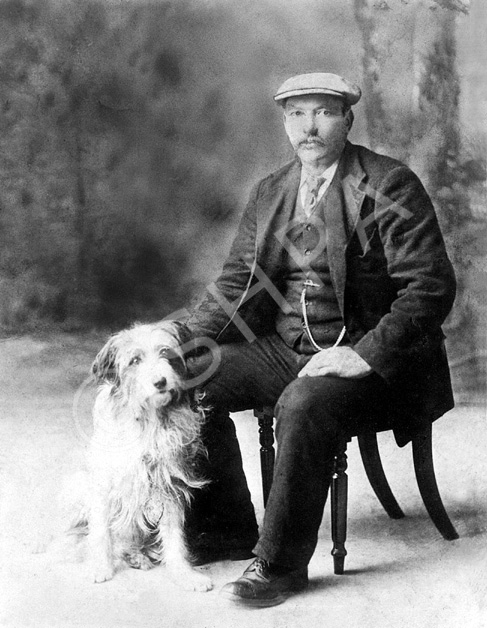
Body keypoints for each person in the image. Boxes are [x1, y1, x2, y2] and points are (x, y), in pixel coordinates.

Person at [184, 72, 456, 607]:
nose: (309, 126)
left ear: (347, 120)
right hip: (286, 349)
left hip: (371, 358)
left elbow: (430, 287)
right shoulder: (271, 191)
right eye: (297, 114)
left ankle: (279, 564)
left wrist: (362, 354)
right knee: (191, 378)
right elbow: (238, 283)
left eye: (324, 112)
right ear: (286, 124)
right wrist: (181, 341)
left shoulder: (387, 184)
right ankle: (229, 529)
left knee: (305, 402)